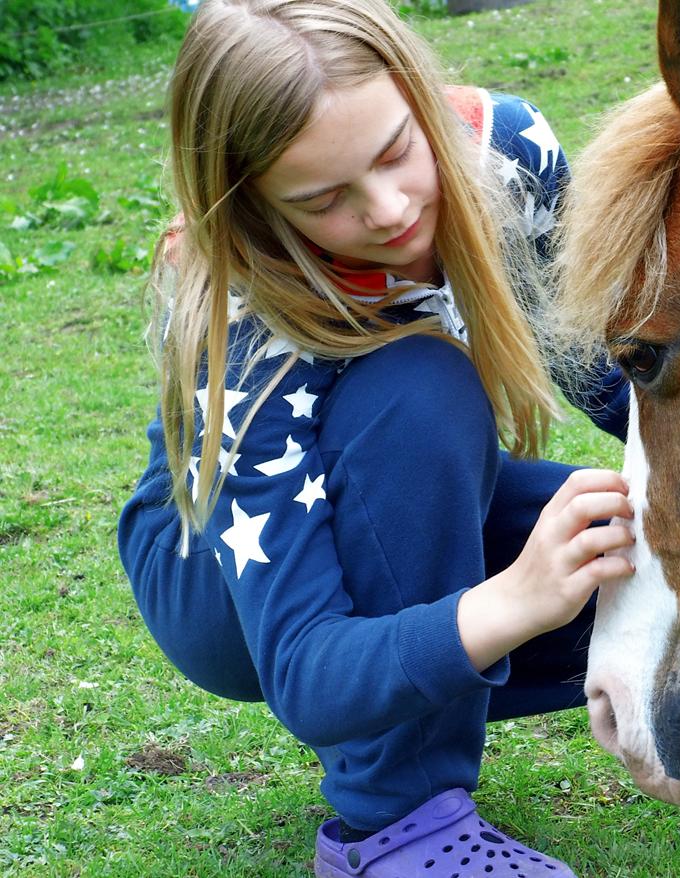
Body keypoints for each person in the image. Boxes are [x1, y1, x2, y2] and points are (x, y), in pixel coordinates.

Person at [116, 1, 632, 875]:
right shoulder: (242, 301)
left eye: (397, 150)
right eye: (324, 199)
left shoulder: (508, 156)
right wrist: (518, 597)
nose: (390, 209)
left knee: (650, 547)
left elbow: (605, 362)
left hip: (407, 488)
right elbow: (307, 666)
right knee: (423, 385)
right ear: (254, 205)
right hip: (224, 573)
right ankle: (397, 831)